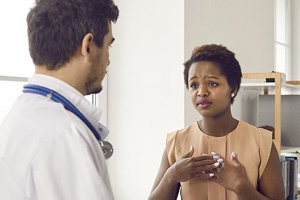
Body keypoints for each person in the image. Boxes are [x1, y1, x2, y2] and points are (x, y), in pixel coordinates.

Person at [0, 0, 119, 199]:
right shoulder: (66, 135)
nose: (108, 60)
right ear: (88, 46)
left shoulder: (19, 115)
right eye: (108, 46)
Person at [148, 44, 285, 200]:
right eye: (194, 85)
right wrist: (171, 176)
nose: (201, 92)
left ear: (233, 88)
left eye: (212, 83)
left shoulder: (262, 143)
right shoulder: (175, 143)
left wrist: (240, 186)